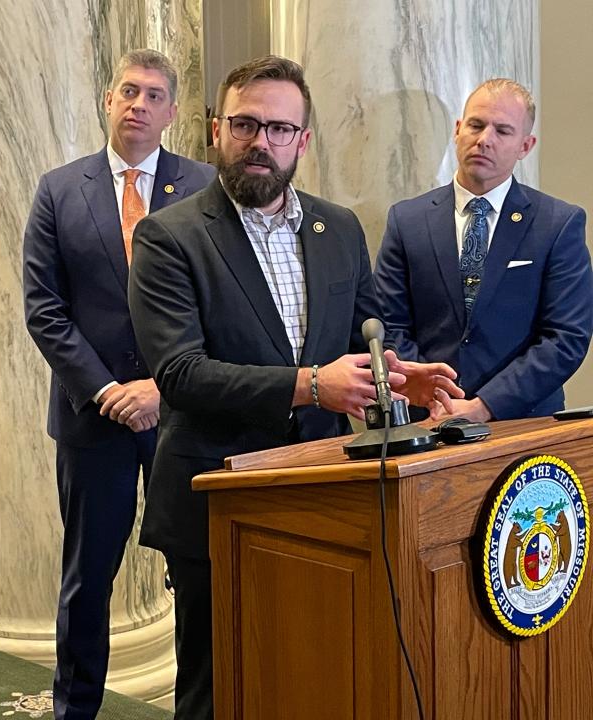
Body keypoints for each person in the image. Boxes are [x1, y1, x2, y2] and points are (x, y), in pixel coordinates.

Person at [127, 55, 463, 719]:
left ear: (303, 140)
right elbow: (180, 374)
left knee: (307, 676)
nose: (261, 142)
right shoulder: (169, 237)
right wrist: (312, 385)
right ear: (215, 129)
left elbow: (356, 343)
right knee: (216, 686)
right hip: (212, 496)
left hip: (319, 497)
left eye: (280, 129)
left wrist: (397, 376)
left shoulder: (338, 228)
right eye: (246, 124)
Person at [23, 49, 214, 719]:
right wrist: (106, 391)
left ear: (171, 112)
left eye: (154, 95)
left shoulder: (204, 188)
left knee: (195, 573)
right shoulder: (58, 188)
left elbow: (222, 305)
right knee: (87, 580)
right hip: (91, 420)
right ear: (109, 100)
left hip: (183, 416)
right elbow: (44, 309)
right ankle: (74, 709)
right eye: (128, 90)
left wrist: (162, 388)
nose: (139, 103)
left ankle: (200, 707)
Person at [374, 79, 593, 421]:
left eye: (503, 131)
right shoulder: (407, 220)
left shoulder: (558, 224)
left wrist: (484, 406)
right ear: (458, 130)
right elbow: (390, 323)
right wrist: (432, 393)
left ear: (525, 145)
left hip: (522, 421)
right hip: (426, 420)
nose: (484, 139)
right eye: (476, 125)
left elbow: (566, 337)